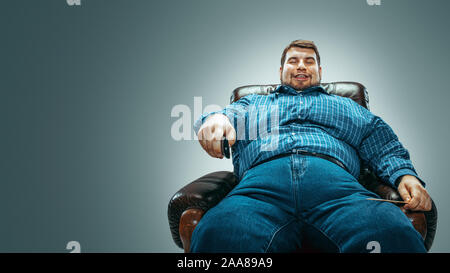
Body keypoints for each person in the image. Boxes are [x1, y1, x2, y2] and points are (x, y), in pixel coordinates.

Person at [191, 39, 432, 253]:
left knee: (390, 232)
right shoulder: (252, 103)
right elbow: (224, 116)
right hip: (259, 192)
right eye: (293, 61)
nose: (301, 66)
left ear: (319, 70)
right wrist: (215, 120)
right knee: (220, 234)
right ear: (281, 70)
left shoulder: (346, 106)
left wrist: (404, 175)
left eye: (309, 61)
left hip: (339, 192)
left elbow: (381, 143)